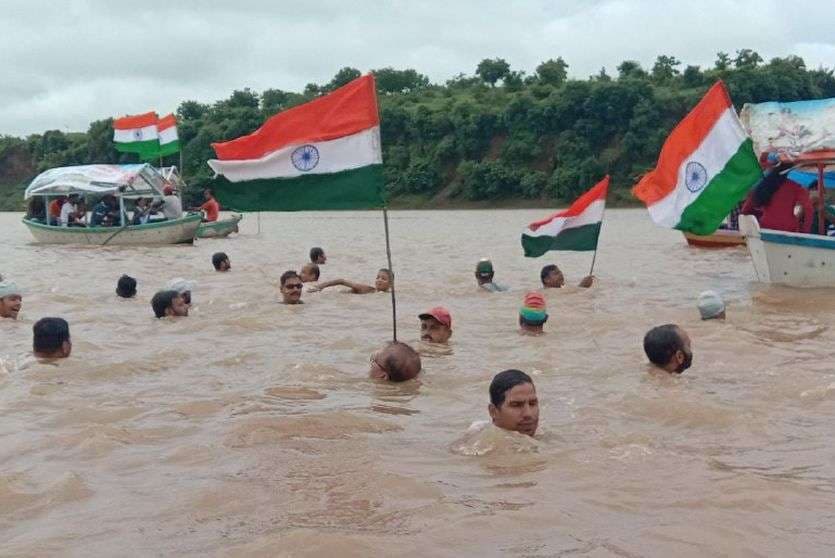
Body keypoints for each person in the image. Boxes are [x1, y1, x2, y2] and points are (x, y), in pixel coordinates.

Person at [741, 160, 812, 233]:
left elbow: (745, 210)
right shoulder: (795, 187)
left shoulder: (763, 185)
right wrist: (805, 230)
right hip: (788, 228)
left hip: (766, 226)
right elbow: (808, 208)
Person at [488, 369, 539, 437]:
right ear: (493, 411)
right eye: (516, 405)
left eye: (532, 404)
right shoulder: (487, 446)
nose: (528, 414)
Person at [309, 268, 392, 294]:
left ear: (391, 284)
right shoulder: (367, 289)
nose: (379, 280)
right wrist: (319, 287)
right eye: (377, 277)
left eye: (383, 279)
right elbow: (341, 281)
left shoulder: (390, 294)